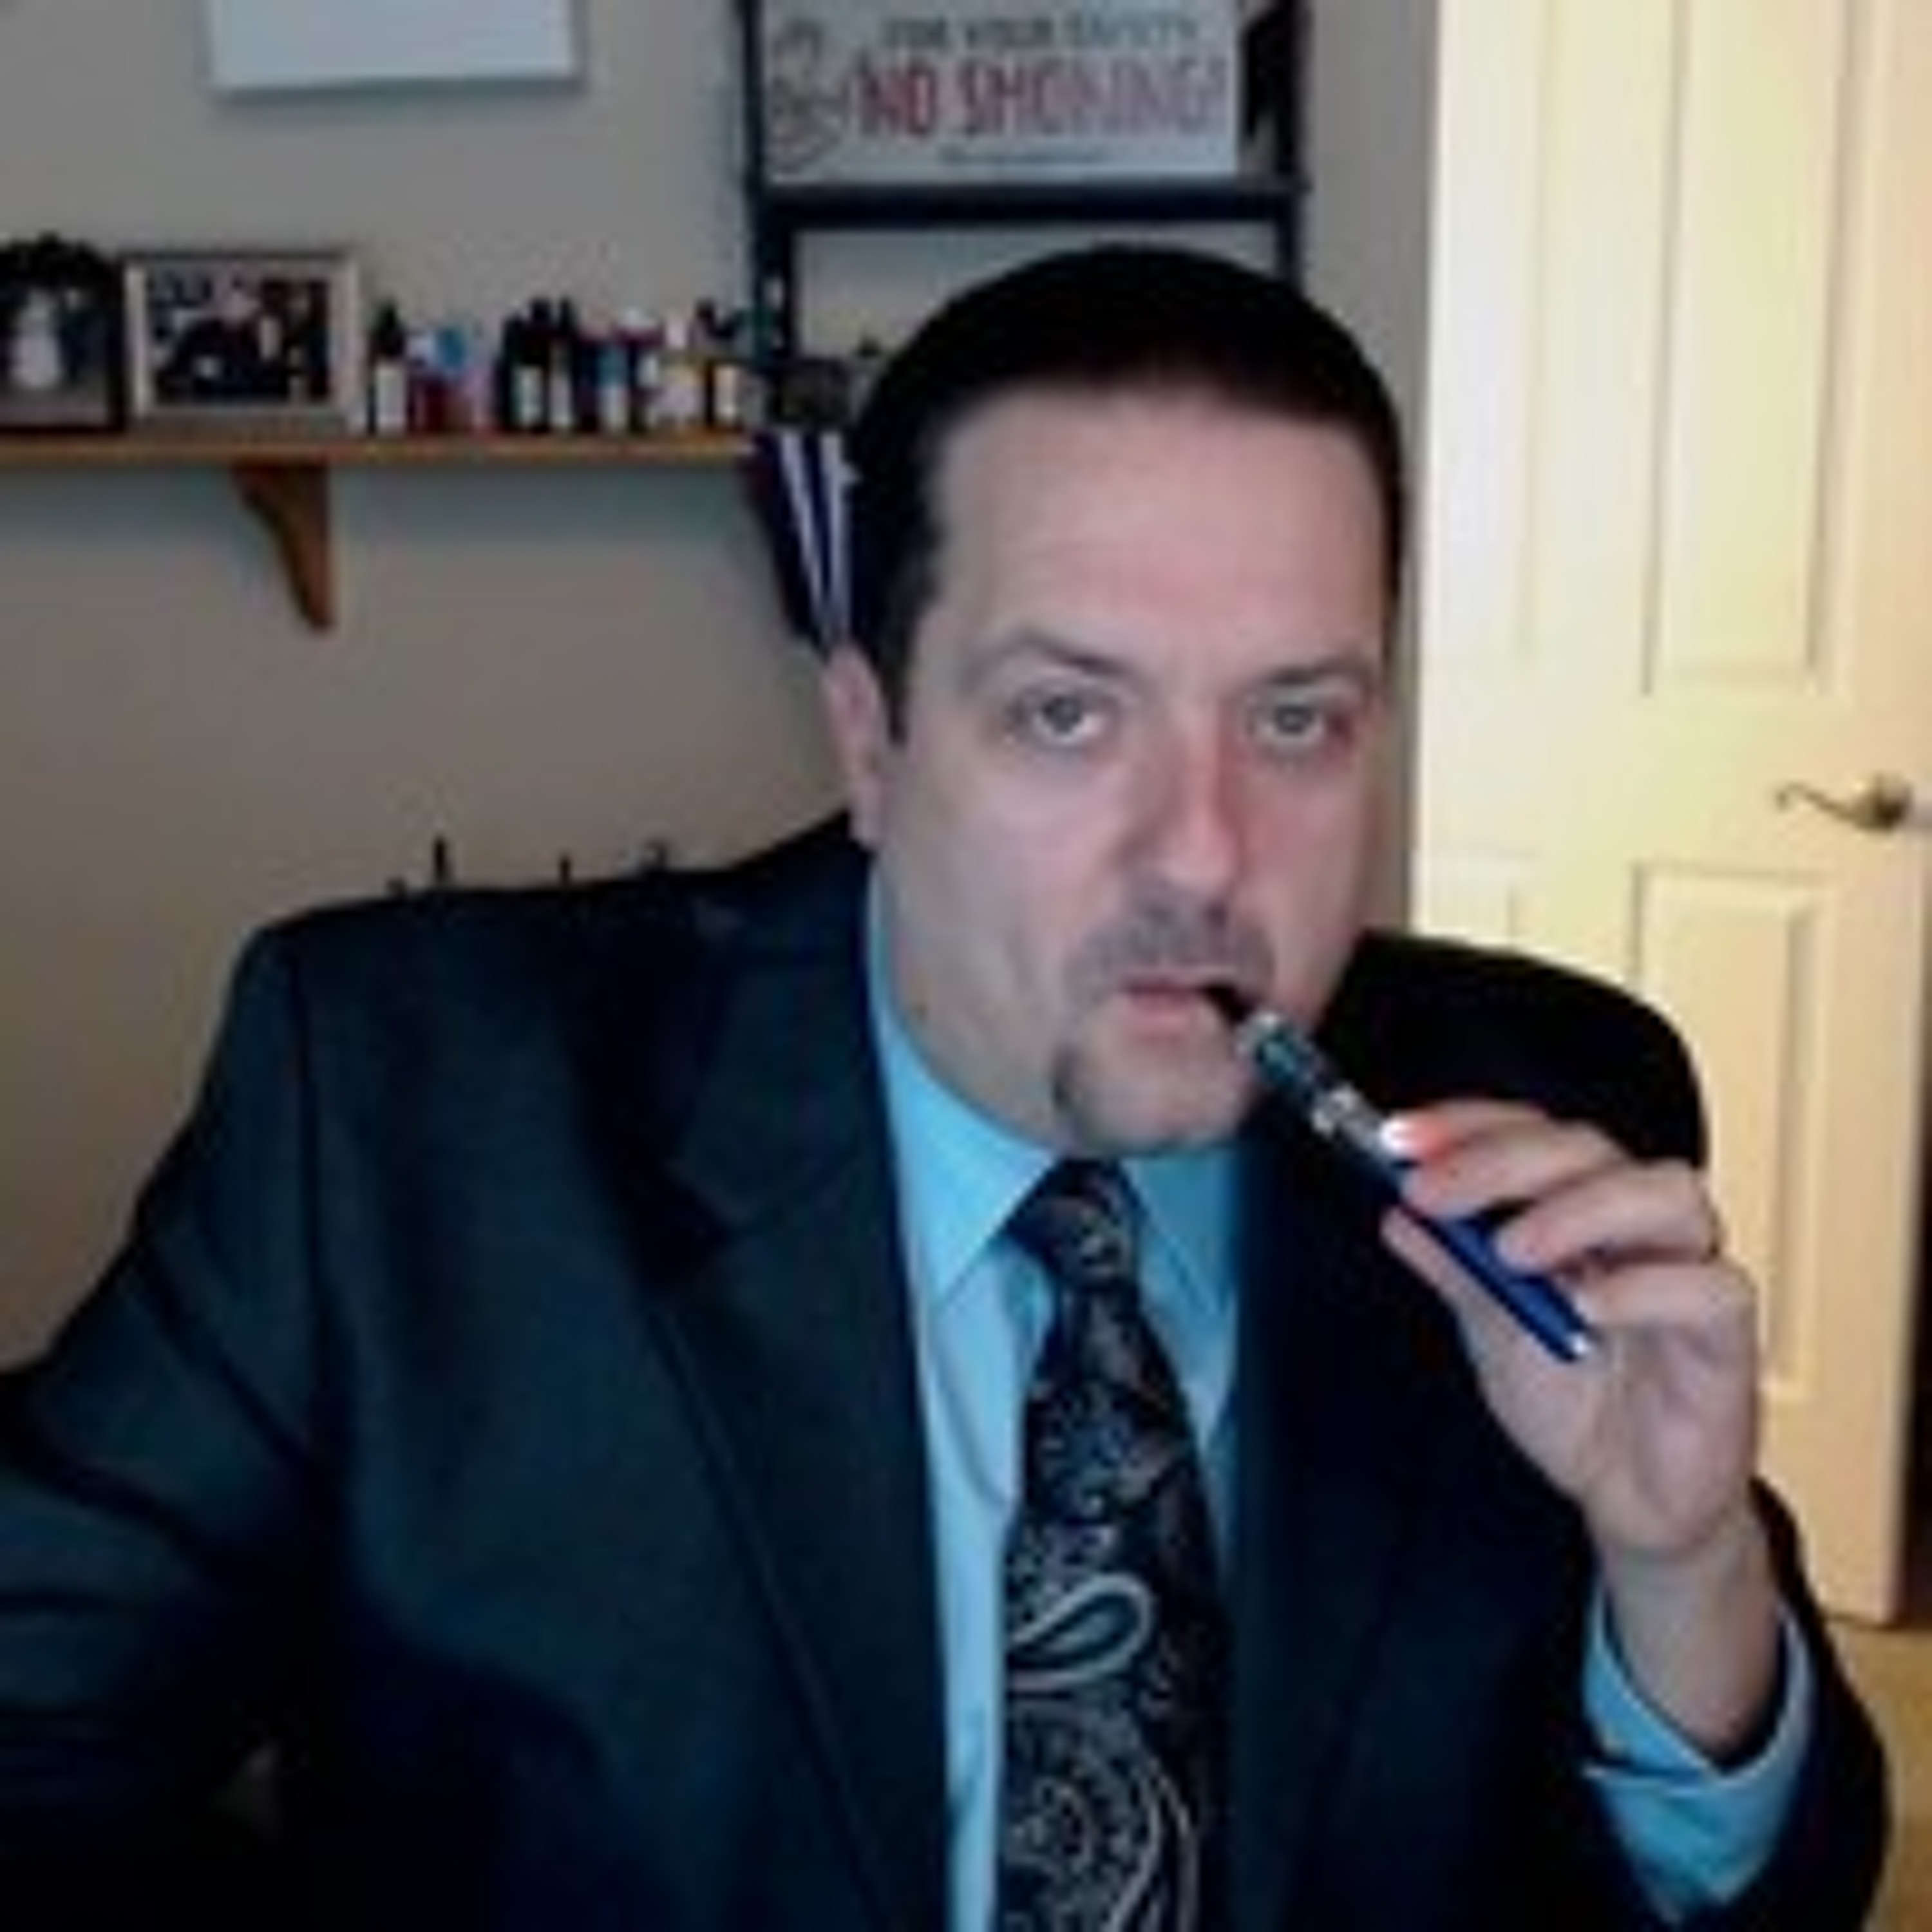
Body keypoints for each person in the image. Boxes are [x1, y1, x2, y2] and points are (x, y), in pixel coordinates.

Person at [0, 245, 1887, 1927]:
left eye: (1298, 719)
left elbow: (1756, 1894)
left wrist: (1683, 1569)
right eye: (1067, 714)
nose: (1203, 855)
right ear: (872, 742)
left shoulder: (1550, 1114)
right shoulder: (405, 1119)